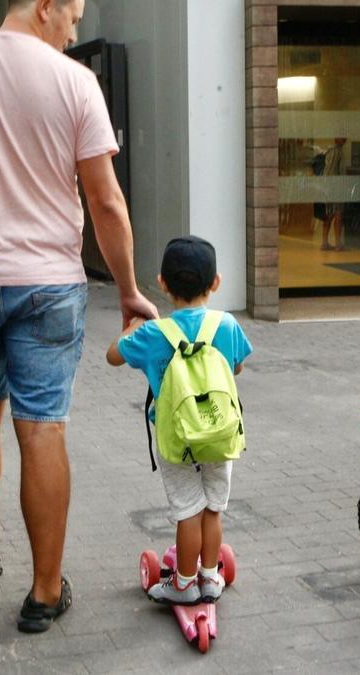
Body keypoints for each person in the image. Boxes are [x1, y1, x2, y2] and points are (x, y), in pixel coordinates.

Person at [0, 0, 158, 634]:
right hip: (49, 285)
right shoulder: (75, 84)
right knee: (42, 427)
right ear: (45, 7)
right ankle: (44, 592)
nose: (75, 32)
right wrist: (127, 289)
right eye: (73, 17)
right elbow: (105, 201)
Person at [106, 236, 252, 605]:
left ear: (162, 283)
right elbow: (237, 366)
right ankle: (209, 576)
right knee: (213, 508)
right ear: (216, 282)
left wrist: (132, 325)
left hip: (177, 437)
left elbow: (112, 356)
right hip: (220, 432)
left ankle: (183, 584)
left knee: (189, 511)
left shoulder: (154, 333)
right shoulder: (227, 324)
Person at [317, 137, 347, 251]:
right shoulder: (337, 151)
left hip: (328, 187)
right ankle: (338, 244)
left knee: (328, 214)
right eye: (342, 137)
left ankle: (324, 243)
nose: (345, 139)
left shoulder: (329, 150)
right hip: (336, 187)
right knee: (338, 214)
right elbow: (336, 171)